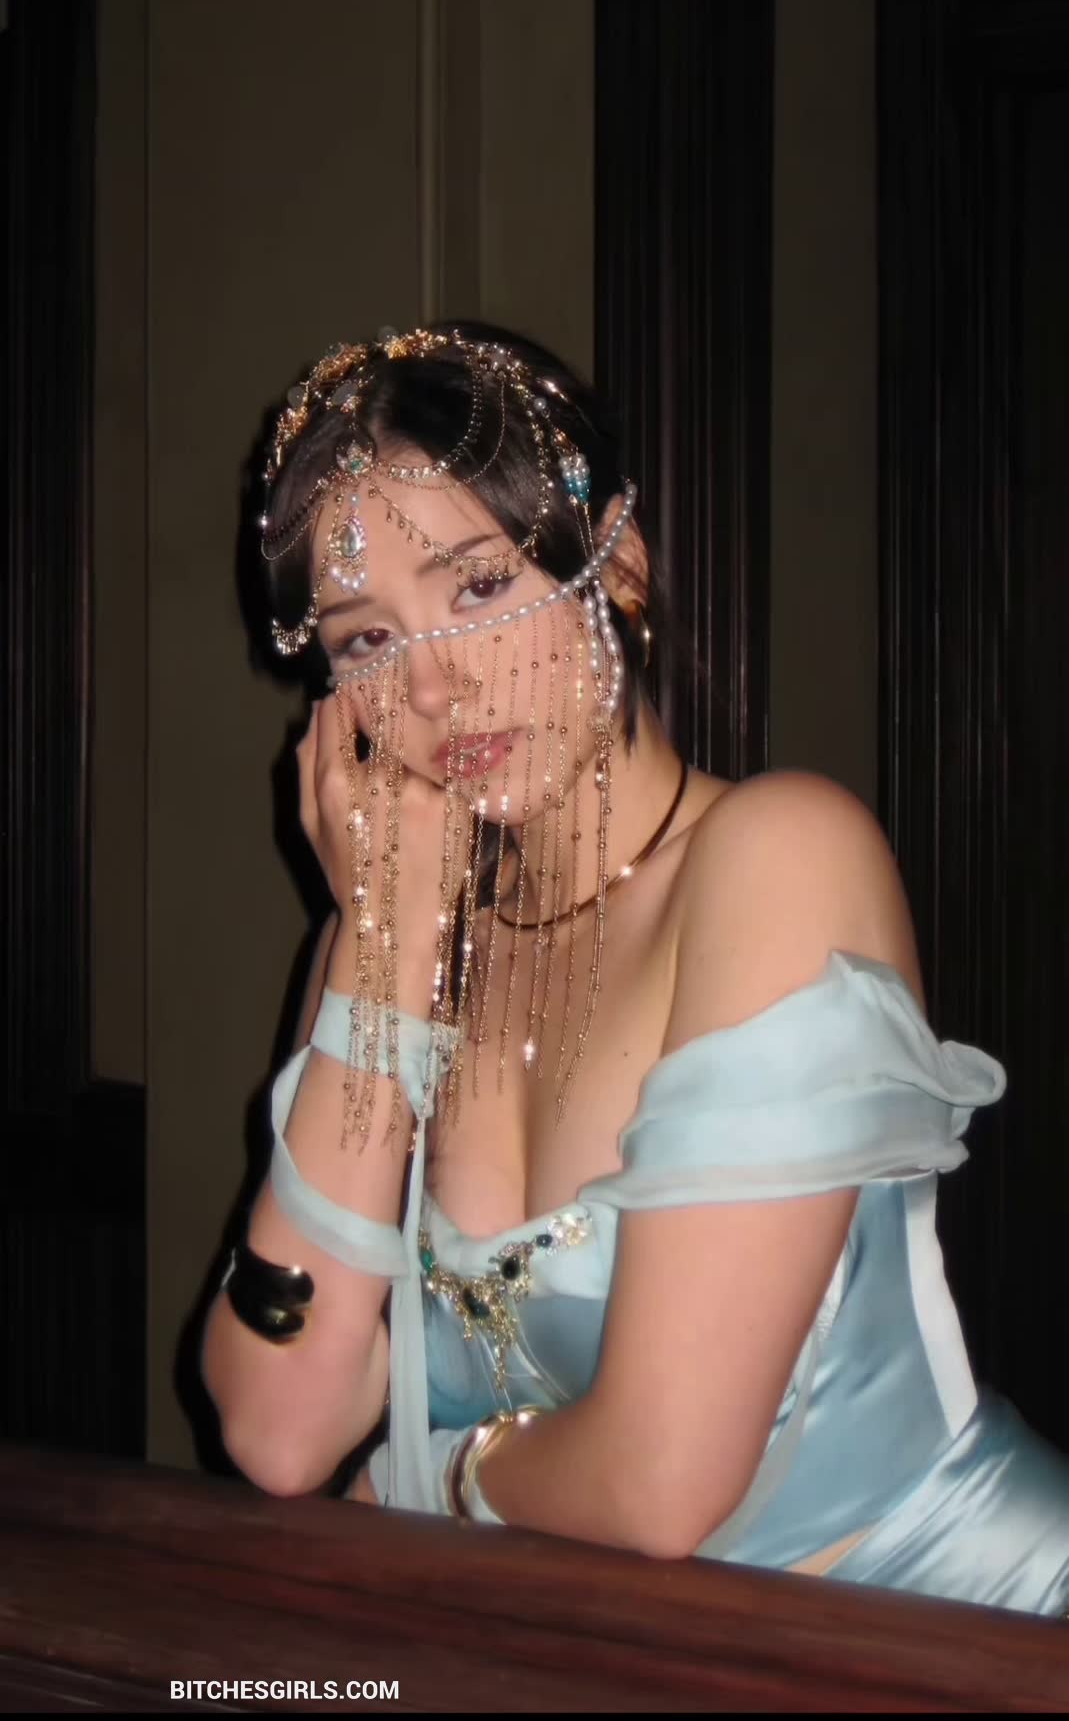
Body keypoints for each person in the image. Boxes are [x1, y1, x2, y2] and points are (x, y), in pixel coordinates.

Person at [202, 323, 1069, 1612]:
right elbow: (279, 1429)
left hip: (953, 1640)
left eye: (478, 589)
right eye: (366, 641)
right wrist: (380, 956)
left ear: (618, 564)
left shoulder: (778, 857)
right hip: (632, 1656)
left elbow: (663, 1481)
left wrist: (437, 1478)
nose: (435, 688)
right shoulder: (388, 941)